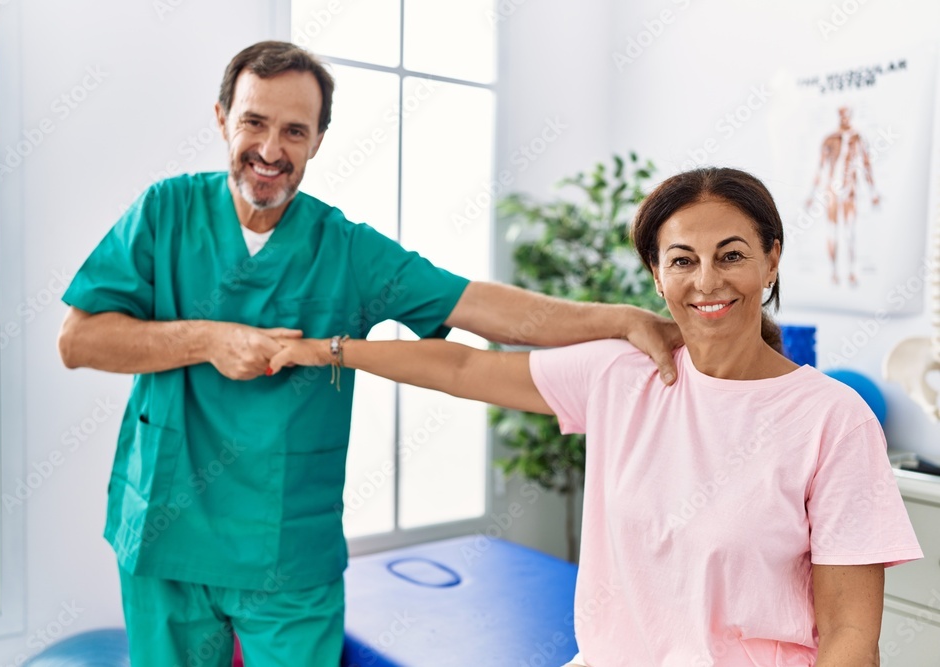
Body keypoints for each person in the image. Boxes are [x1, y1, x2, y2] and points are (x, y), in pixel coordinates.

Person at [55, 41, 681, 666]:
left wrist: (621, 319)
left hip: (287, 553)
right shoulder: (165, 212)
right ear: (221, 117)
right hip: (169, 532)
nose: (271, 150)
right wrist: (209, 339)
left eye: (295, 131)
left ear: (319, 140)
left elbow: (479, 306)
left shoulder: (346, 249)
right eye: (254, 122)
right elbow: (79, 340)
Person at [268, 167, 923, 666]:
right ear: (657, 276)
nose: (708, 281)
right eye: (683, 260)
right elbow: (464, 369)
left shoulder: (831, 418)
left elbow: (849, 632)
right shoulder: (623, 374)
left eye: (732, 254)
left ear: (770, 259)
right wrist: (328, 350)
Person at [805, 106, 882, 286]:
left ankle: (851, 271)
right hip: (832, 189)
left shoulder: (857, 138)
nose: (845, 118)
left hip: (849, 190)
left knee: (849, 232)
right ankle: (833, 271)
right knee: (832, 231)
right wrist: (811, 194)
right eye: (843, 114)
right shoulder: (830, 139)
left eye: (848, 114)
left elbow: (866, 164)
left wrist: (873, 192)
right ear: (839, 116)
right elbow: (820, 167)